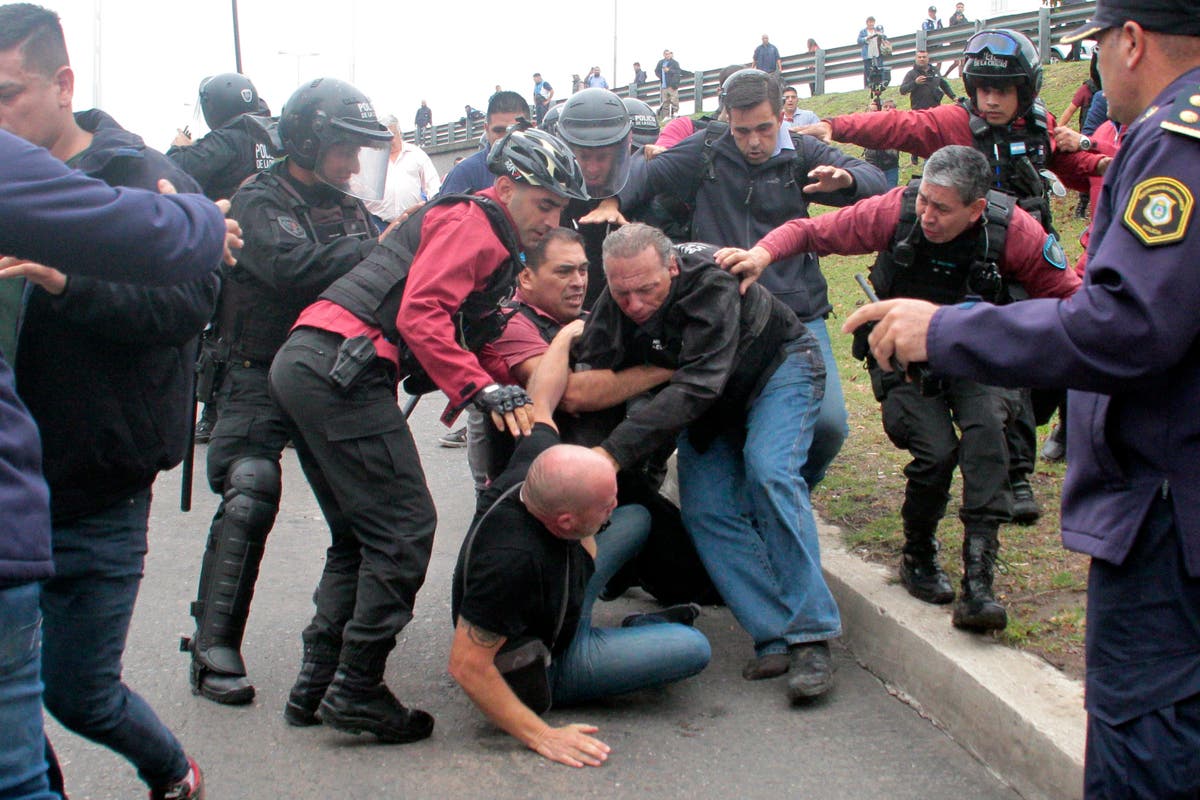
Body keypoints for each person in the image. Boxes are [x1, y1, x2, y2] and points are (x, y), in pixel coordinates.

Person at [843, 2, 1200, 793]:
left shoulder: (1174, 143)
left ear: (1131, 40)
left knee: (1146, 740)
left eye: (1099, 45)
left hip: (1169, 508)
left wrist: (947, 331)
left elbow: (1126, 326)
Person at [267, 126, 587, 743]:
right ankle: (357, 688)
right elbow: (420, 314)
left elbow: (475, 336)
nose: (553, 219)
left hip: (310, 361)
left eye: (561, 207)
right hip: (341, 366)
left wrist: (520, 377)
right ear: (505, 187)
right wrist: (479, 390)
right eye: (544, 203)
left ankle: (317, 683)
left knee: (358, 536)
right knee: (405, 528)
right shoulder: (477, 223)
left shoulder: (483, 235)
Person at [718, 145, 1079, 631]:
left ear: (976, 209)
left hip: (975, 349)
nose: (927, 215)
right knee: (935, 453)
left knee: (988, 437)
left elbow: (1074, 305)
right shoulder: (897, 210)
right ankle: (919, 554)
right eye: (925, 200)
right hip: (901, 352)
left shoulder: (1016, 232)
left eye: (942, 209)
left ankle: (979, 580)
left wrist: (1007, 331)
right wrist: (762, 253)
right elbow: (810, 231)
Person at [0, 7, 217, 798]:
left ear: (63, 84)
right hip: (10, 491)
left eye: (7, 94)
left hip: (96, 487)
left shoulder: (141, 176)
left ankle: (170, 771)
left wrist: (65, 278)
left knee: (78, 691)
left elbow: (188, 306)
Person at [796, 28, 1112, 518]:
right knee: (992, 363)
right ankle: (1006, 472)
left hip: (1027, 253)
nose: (990, 101)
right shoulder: (954, 122)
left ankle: (1020, 469)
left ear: (1024, 90)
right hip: (968, 261)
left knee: (1045, 356)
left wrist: (1101, 153)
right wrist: (837, 125)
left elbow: (1072, 164)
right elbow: (901, 125)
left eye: (1002, 90)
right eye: (982, 89)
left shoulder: (1042, 124)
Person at [182, 77, 393, 707]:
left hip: (330, 374)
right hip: (254, 369)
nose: (355, 165)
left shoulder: (352, 209)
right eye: (345, 150)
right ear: (309, 140)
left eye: (362, 152)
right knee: (250, 492)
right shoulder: (259, 199)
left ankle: (331, 655)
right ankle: (213, 642)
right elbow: (289, 266)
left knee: (360, 513)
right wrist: (374, 246)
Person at [584, 68, 889, 488]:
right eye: (742, 130)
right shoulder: (707, 149)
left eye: (764, 128)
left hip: (797, 313)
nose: (754, 142)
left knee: (830, 426)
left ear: (783, 114)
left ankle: (789, 488)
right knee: (716, 428)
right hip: (718, 309)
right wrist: (613, 199)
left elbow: (877, 184)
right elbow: (646, 174)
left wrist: (850, 180)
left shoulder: (802, 152)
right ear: (727, 119)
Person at [573, 224, 840, 703]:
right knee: (706, 510)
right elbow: (598, 375)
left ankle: (811, 637)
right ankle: (774, 634)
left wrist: (612, 454)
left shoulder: (712, 280)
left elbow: (697, 386)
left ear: (671, 267)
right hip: (713, 404)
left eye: (647, 290)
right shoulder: (617, 298)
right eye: (621, 292)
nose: (633, 304)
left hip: (776, 368)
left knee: (769, 472)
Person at [449, 316, 710, 768]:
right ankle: (630, 637)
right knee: (692, 650)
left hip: (563, 586)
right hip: (551, 653)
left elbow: (543, 400)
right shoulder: (512, 563)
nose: (610, 506)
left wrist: (566, 338)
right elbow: (467, 666)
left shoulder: (534, 461)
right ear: (566, 519)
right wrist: (541, 736)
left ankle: (614, 633)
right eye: (601, 505)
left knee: (635, 518)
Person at [167, 73, 280, 203]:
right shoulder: (267, 135)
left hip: (226, 218)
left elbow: (172, 170)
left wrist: (178, 148)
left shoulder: (225, 140)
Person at [364, 114, 440, 230]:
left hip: (412, 221)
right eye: (385, 136)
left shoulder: (416, 154)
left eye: (392, 134)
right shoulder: (372, 159)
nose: (390, 140)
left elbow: (433, 185)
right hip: (379, 223)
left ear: (399, 132)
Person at [899, 50, 957, 165]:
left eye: (924, 57)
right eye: (919, 57)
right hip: (919, 109)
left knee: (934, 133)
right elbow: (902, 90)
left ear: (928, 58)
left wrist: (953, 97)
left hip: (935, 108)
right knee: (917, 134)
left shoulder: (934, 70)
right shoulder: (911, 73)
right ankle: (914, 154)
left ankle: (932, 156)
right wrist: (915, 83)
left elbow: (943, 83)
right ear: (916, 59)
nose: (922, 59)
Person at [862, 99, 901, 186]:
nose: (888, 109)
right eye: (885, 107)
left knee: (890, 193)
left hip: (890, 166)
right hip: (872, 166)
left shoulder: (897, 124)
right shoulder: (871, 123)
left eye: (891, 107)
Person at [858, 16, 888, 89]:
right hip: (867, 52)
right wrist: (866, 38)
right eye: (870, 22)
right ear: (867, 23)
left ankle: (881, 83)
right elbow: (859, 41)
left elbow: (885, 37)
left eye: (872, 22)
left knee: (879, 67)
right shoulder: (863, 31)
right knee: (868, 69)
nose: (871, 24)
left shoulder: (877, 30)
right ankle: (869, 84)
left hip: (877, 51)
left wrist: (880, 34)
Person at [654, 48, 681, 121]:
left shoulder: (674, 63)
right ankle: (666, 116)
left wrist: (669, 71)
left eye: (669, 54)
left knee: (674, 99)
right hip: (664, 85)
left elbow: (678, 72)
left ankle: (675, 113)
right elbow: (656, 71)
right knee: (665, 101)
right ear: (664, 55)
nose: (668, 55)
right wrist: (661, 77)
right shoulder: (661, 62)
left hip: (672, 85)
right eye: (666, 54)